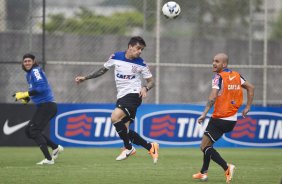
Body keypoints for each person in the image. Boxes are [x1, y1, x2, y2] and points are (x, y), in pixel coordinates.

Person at [75, 36, 159, 164]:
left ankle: (129, 148)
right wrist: (85, 78)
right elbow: (103, 70)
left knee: (115, 117)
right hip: (122, 96)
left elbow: (151, 82)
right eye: (138, 48)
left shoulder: (141, 64)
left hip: (133, 95)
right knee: (125, 130)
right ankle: (150, 146)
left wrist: (146, 88)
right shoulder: (115, 57)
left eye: (142, 49)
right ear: (130, 47)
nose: (140, 51)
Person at [192, 53, 254, 183]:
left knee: (204, 147)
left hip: (220, 118)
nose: (214, 63)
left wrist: (204, 113)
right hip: (231, 120)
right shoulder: (237, 76)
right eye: (213, 61)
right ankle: (203, 172)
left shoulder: (218, 77)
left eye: (217, 61)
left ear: (224, 64)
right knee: (208, 145)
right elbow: (251, 87)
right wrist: (247, 107)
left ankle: (227, 167)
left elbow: (212, 97)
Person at [13, 53, 64, 165]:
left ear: (34, 61)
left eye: (29, 61)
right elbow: (35, 90)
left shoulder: (35, 71)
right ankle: (55, 147)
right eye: (25, 61)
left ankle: (49, 159)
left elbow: (41, 88)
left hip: (47, 105)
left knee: (34, 131)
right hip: (45, 106)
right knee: (29, 131)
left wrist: (24, 93)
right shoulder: (29, 74)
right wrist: (26, 97)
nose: (27, 63)